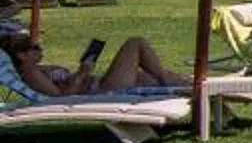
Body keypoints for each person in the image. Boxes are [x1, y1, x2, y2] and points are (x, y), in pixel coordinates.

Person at [3, 27, 188, 97]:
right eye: (35, 47)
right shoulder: (31, 74)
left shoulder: (36, 70)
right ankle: (170, 83)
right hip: (102, 90)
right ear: (22, 55)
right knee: (135, 43)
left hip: (98, 84)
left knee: (150, 77)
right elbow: (61, 97)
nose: (40, 49)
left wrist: (81, 72)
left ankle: (189, 85)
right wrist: (82, 72)